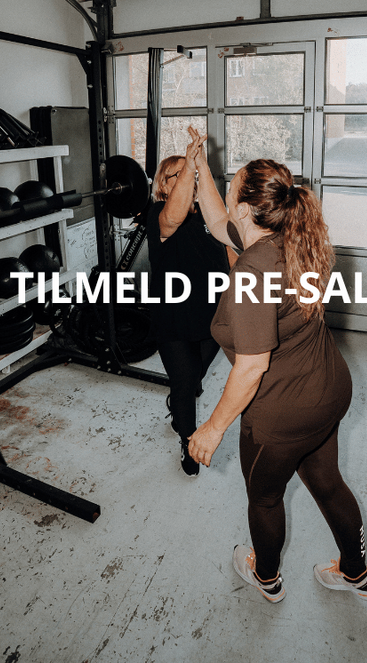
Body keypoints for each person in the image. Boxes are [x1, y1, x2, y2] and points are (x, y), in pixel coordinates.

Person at [187, 140, 367, 603]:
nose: (227, 195)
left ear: (247, 210)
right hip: (328, 391)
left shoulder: (253, 270)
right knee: (328, 483)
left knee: (264, 498)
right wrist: (199, 169)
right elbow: (217, 221)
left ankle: (267, 577)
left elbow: (252, 366)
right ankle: (357, 574)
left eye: (232, 187)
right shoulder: (295, 240)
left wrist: (212, 428)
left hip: (282, 412)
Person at [146, 129, 230, 478]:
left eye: (191, 174)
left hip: (213, 318)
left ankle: (181, 401)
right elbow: (173, 218)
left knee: (195, 375)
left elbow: (230, 252)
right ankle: (188, 440)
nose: (188, 178)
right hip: (174, 319)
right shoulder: (157, 215)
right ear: (162, 186)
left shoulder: (210, 217)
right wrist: (191, 162)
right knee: (184, 383)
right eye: (177, 175)